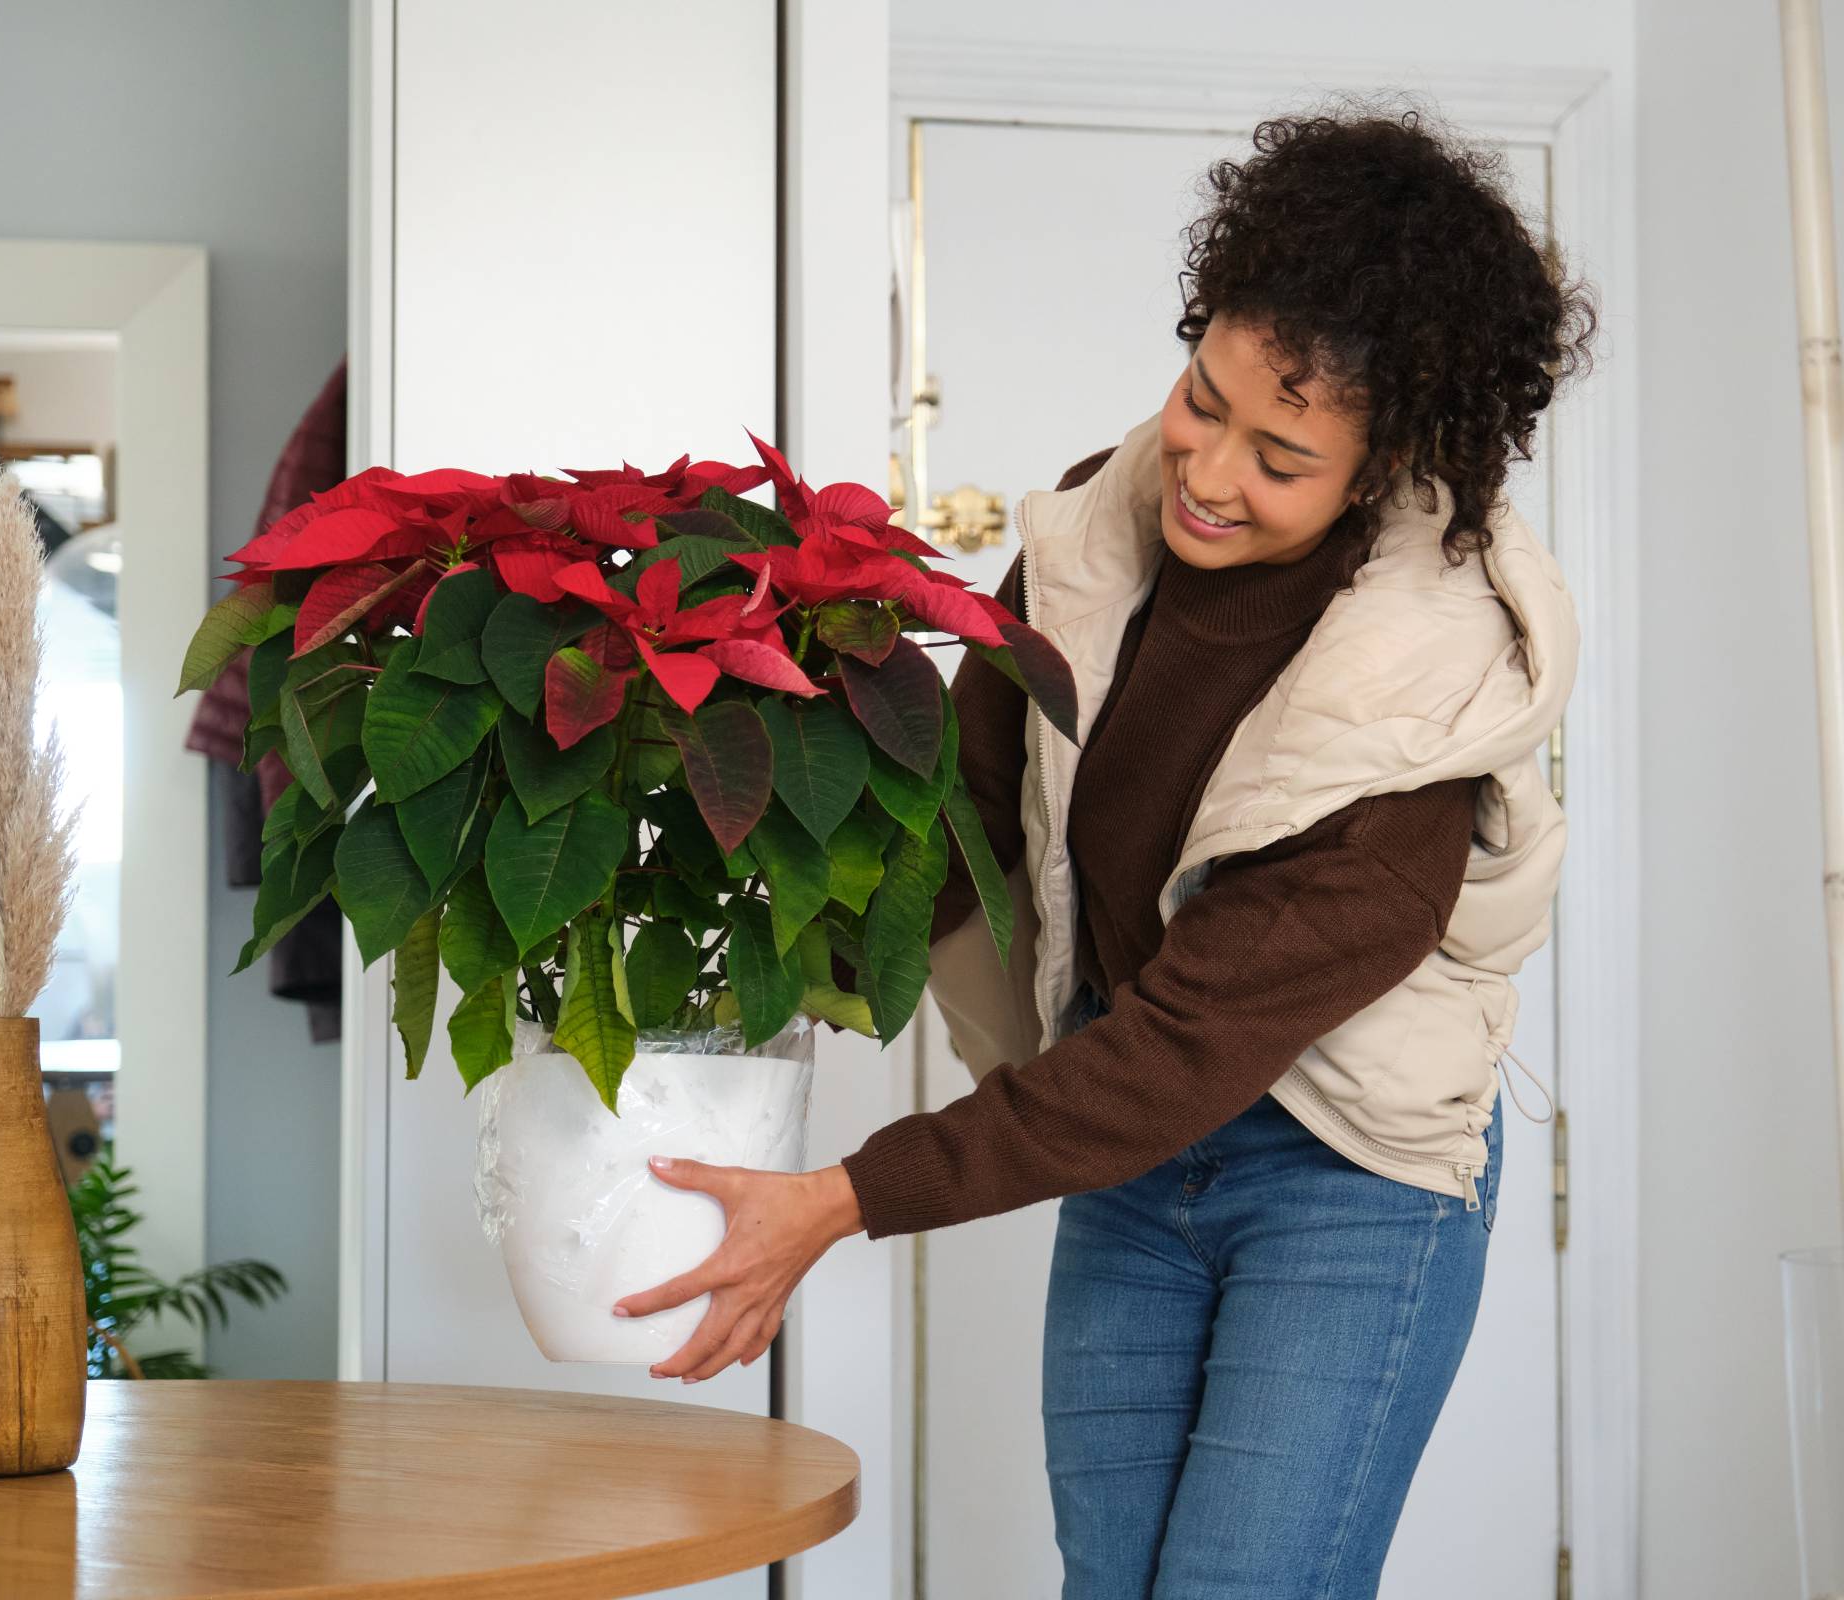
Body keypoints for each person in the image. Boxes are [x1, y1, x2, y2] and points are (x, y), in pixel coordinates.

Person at [612, 106, 1596, 1598]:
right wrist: (707, 989)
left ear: (1384, 467)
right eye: (1204, 398)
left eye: (1283, 457)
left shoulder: (1424, 701)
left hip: (1343, 1179)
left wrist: (839, 1198)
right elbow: (961, 822)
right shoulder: (1095, 537)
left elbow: (1186, 1046)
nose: (1207, 471)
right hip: (1134, 1147)